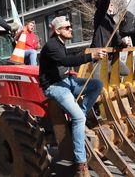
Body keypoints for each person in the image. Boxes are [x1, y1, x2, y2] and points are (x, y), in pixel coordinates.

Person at [39, 16, 106, 177]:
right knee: (79, 120)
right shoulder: (51, 45)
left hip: (66, 81)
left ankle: (80, 113)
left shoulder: (61, 44)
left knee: (97, 85)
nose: (70, 29)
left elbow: (61, 64)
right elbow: (65, 60)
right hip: (55, 87)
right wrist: (91, 56)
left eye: (69, 27)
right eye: (67, 27)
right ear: (57, 31)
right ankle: (80, 165)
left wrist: (67, 73)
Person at [90, 0, 132, 77]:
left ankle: (108, 69)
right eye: (110, 3)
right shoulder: (100, 16)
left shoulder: (112, 21)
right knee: (98, 80)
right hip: (100, 55)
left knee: (126, 71)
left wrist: (123, 45)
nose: (112, 4)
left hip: (110, 57)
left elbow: (116, 39)